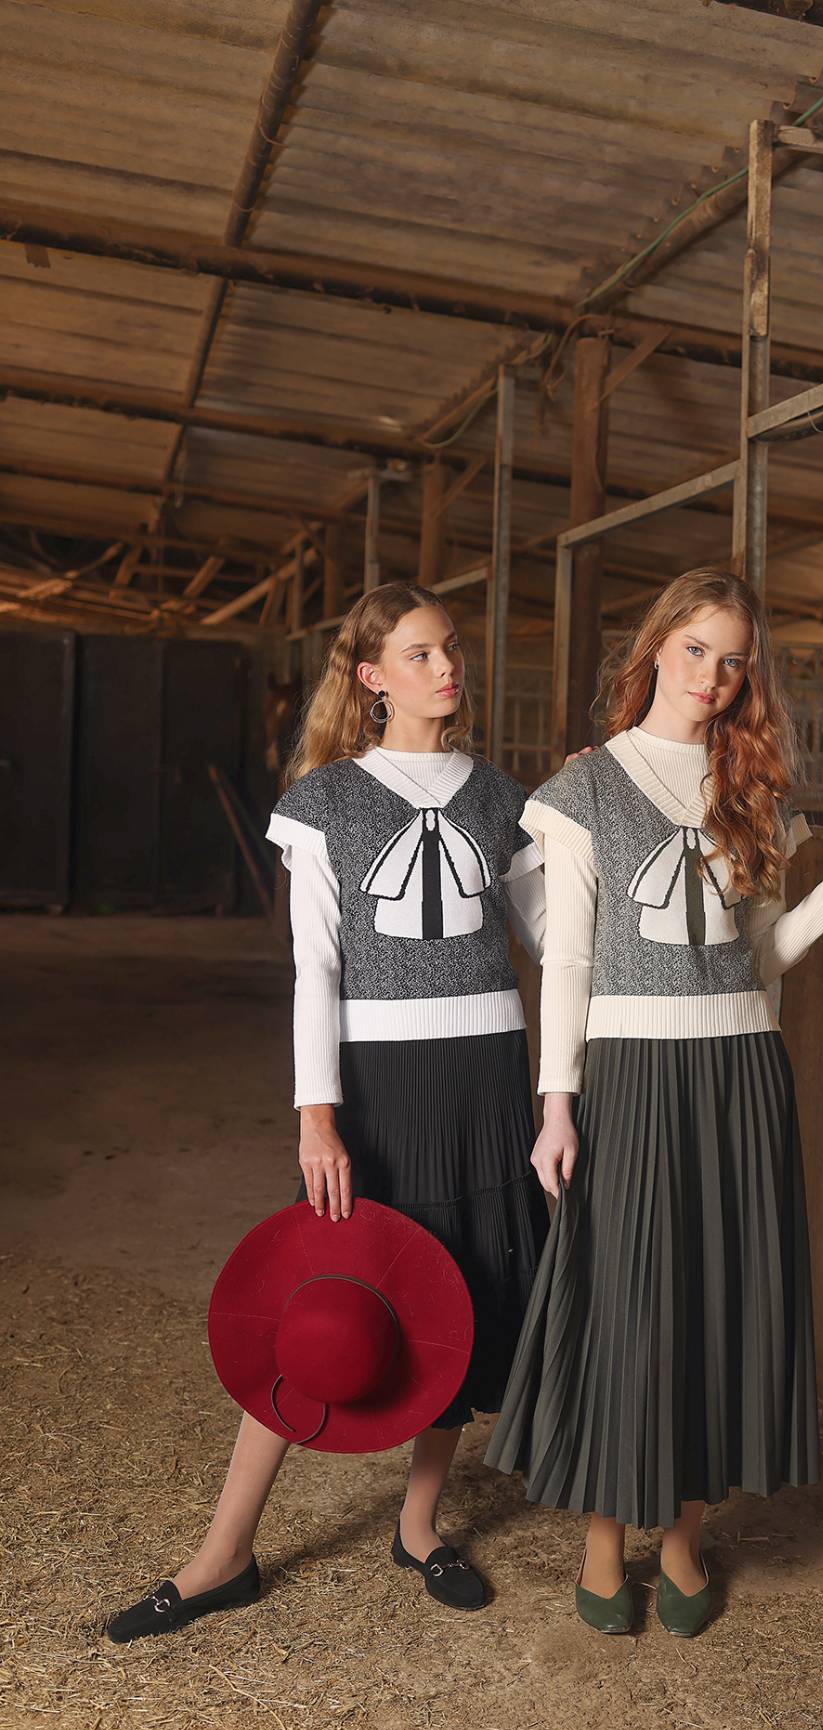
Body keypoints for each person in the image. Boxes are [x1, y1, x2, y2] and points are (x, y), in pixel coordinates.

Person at [485, 567, 823, 1636]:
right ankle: (605, 1541)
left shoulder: (753, 790)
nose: (712, 677)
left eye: (733, 661)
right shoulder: (582, 791)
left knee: (715, 1305)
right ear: (656, 648)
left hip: (739, 1073)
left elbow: (758, 960)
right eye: (696, 650)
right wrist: (557, 1104)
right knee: (627, 1305)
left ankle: (684, 1536)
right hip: (632, 1076)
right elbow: (569, 961)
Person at [105, 583, 548, 1641]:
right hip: (377, 1084)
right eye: (420, 652)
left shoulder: (505, 799)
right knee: (319, 1299)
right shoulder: (324, 802)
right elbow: (316, 968)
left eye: (450, 647)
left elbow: (552, 939)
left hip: (488, 1075)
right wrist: (317, 1113)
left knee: (460, 1295)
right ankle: (225, 1552)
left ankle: (420, 1525)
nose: (447, 666)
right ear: (371, 676)